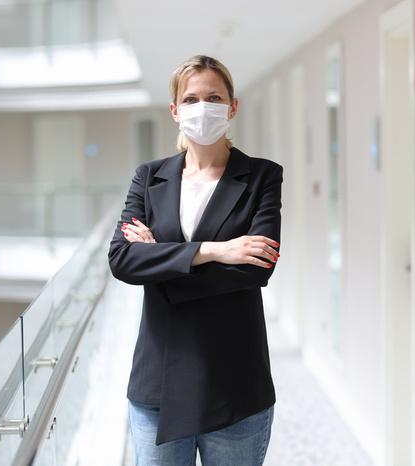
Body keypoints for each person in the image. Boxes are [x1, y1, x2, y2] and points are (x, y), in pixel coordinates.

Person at [108, 54, 282, 466]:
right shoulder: (149, 178)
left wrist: (159, 262)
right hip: (158, 384)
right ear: (174, 111)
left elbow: (256, 268)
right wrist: (216, 251)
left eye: (213, 97)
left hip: (235, 384)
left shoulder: (261, 177)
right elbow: (121, 260)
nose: (201, 107)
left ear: (232, 106)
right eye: (190, 99)